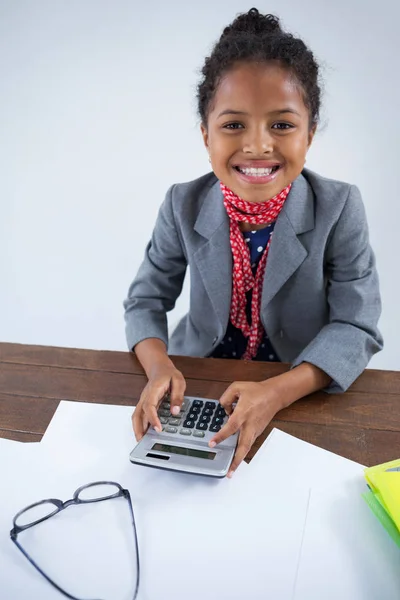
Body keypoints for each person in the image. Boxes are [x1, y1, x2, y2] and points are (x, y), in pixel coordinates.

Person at [123, 8, 383, 477]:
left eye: (282, 125)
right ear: (206, 135)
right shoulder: (182, 203)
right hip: (200, 379)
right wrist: (160, 367)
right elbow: (144, 300)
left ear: (310, 134)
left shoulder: (339, 207)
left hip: (299, 385)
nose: (258, 145)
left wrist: (279, 389)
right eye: (233, 125)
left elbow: (356, 326)